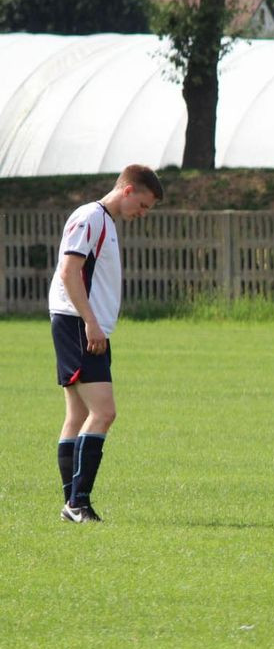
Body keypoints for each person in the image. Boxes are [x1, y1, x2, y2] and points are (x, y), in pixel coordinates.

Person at [50, 164, 163, 523]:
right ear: (128, 190)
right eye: (142, 206)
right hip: (79, 325)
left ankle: (73, 506)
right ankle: (78, 503)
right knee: (104, 412)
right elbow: (69, 271)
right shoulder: (91, 218)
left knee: (79, 415)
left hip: (82, 324)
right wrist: (90, 322)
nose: (142, 214)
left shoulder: (105, 223)